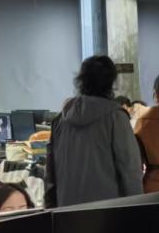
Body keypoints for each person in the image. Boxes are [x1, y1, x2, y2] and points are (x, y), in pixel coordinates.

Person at [46, 55, 143, 207]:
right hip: (107, 214)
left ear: (81, 81)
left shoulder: (60, 120)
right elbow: (130, 171)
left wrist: (51, 211)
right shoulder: (116, 117)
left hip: (66, 212)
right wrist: (138, 211)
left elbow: (50, 176)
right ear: (111, 82)